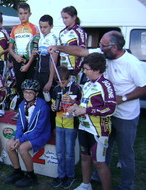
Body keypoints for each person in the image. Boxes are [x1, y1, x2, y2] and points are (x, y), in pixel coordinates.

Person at [49, 30, 146, 190]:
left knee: (125, 153)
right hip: (100, 118)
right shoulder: (101, 57)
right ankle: (95, 178)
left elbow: (144, 87)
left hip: (125, 115)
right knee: (104, 148)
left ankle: (126, 185)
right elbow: (80, 51)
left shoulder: (132, 63)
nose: (99, 48)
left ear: (114, 47)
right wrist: (58, 47)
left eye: (103, 45)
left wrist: (123, 98)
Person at [67, 53, 116, 190]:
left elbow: (111, 108)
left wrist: (86, 111)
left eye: (87, 69)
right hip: (84, 126)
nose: (84, 71)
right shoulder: (87, 84)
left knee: (99, 162)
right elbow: (84, 103)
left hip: (98, 129)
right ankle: (86, 184)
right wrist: (74, 105)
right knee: (84, 157)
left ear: (97, 70)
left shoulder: (106, 85)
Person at [4, 79, 51, 187]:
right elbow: (20, 124)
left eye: (30, 93)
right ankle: (18, 171)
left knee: (22, 148)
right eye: (26, 92)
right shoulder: (22, 104)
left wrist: (20, 140)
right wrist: (17, 138)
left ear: (36, 94)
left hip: (41, 134)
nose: (28, 95)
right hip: (28, 133)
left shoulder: (42, 107)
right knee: (8, 144)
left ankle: (31, 176)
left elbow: (38, 130)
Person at [50, 66, 81, 189]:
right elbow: (53, 104)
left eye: (62, 81)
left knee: (69, 153)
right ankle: (61, 175)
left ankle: (70, 175)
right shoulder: (56, 89)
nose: (60, 83)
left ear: (69, 79)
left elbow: (82, 105)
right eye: (58, 81)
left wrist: (73, 102)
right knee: (59, 152)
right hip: (59, 124)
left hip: (71, 125)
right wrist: (53, 107)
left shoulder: (76, 89)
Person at [8, 2, 40, 120]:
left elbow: (35, 49)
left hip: (30, 61)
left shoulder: (33, 28)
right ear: (18, 14)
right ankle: (21, 110)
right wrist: (15, 57)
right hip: (18, 60)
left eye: (25, 13)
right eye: (21, 13)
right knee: (20, 86)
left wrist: (28, 64)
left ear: (29, 14)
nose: (23, 16)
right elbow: (10, 48)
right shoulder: (15, 29)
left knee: (31, 87)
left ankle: (31, 111)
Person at [59, 6, 87, 82]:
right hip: (63, 68)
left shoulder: (79, 31)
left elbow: (82, 51)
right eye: (63, 18)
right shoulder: (62, 32)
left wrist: (77, 68)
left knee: (73, 91)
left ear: (74, 17)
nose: (64, 20)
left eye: (66, 18)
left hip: (74, 68)